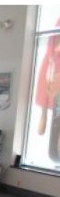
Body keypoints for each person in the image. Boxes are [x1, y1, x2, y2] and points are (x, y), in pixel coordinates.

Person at [34, 18, 60, 162]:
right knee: (47, 91)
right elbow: (53, 44)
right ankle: (43, 116)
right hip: (53, 67)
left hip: (54, 68)